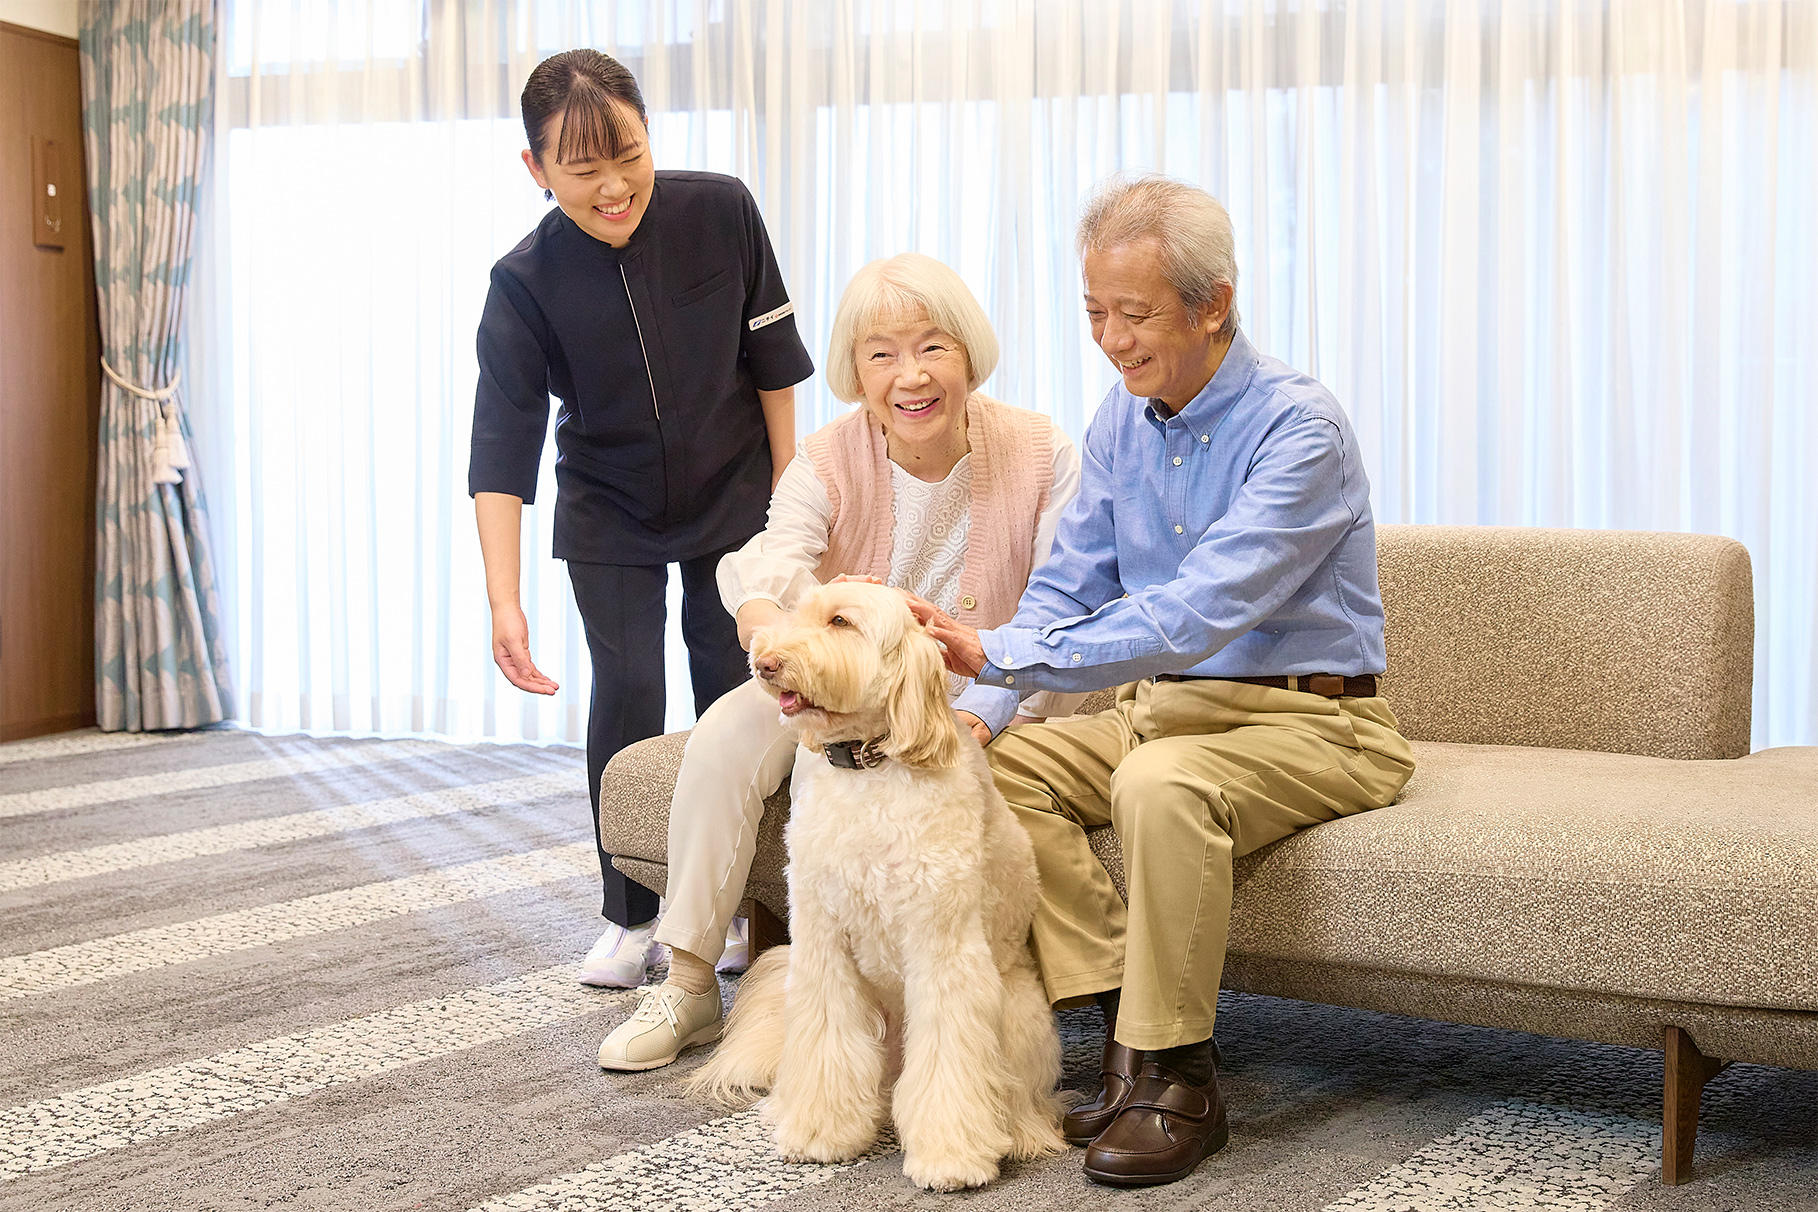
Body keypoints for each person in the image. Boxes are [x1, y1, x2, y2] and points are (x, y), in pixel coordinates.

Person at [913, 175, 1416, 1188]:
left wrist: (1000, 651)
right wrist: (982, 709)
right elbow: (1065, 583)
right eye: (1095, 312)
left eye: (1133, 315)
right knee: (1000, 770)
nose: (1110, 337)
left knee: (1161, 782)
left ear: (1213, 304)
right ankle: (1126, 1038)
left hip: (1313, 725)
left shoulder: (1297, 430)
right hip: (1162, 713)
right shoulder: (1121, 420)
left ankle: (1182, 1080)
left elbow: (1196, 610)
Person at [596, 252, 1084, 1071]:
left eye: (933, 346)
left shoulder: (1043, 452)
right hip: (842, 688)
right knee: (724, 734)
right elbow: (774, 557)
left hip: (999, 690)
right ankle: (687, 982)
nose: (909, 375)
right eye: (880, 353)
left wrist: (981, 711)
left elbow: (1065, 601)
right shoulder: (826, 458)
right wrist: (763, 617)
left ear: (969, 353)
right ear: (854, 371)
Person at [469, 50, 814, 989]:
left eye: (629, 153)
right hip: (609, 507)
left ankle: (748, 905)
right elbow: (501, 451)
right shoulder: (524, 281)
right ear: (536, 170)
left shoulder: (721, 209)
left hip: (734, 492)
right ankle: (631, 913)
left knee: (737, 687)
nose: (616, 186)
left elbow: (775, 365)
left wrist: (791, 507)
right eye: (583, 171)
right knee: (626, 693)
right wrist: (505, 602)